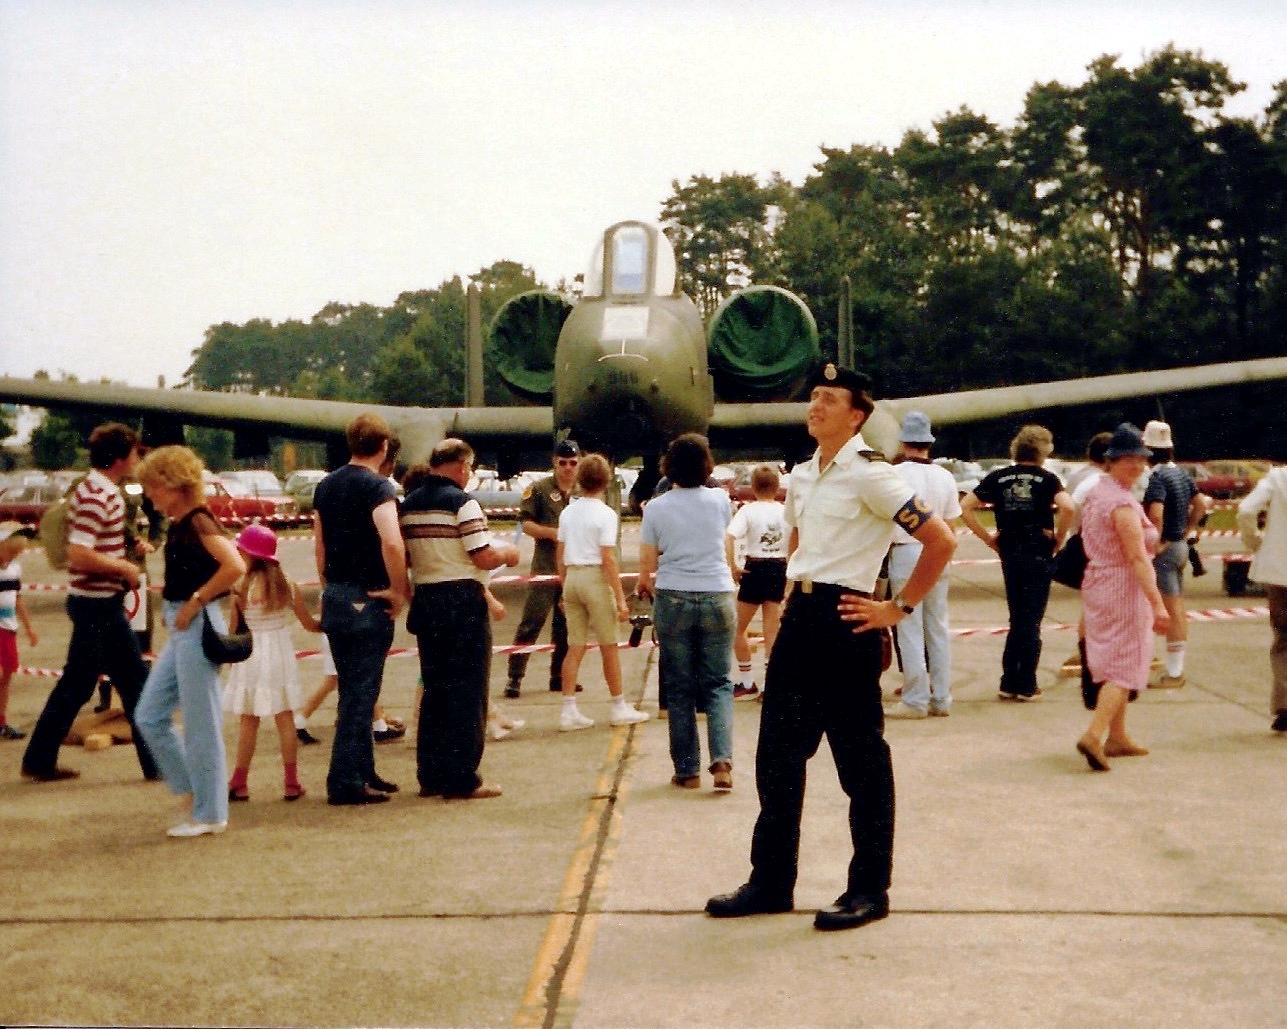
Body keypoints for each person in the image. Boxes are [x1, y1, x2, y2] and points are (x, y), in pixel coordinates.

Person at [705, 364, 955, 930]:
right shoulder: (803, 473)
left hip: (848, 622)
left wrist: (897, 608)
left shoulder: (872, 475)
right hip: (802, 619)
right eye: (813, 396)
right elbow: (798, 537)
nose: (815, 405)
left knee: (860, 765)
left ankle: (869, 889)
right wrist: (792, 592)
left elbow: (940, 539)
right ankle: (771, 882)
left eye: (829, 399)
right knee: (777, 757)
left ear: (856, 416)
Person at [21, 423, 159, 783]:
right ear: (119, 458)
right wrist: (123, 567)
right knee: (132, 682)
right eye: (134, 452)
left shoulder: (96, 490)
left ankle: (39, 758)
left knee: (88, 684)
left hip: (95, 603)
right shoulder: (100, 496)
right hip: (99, 606)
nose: (137, 458)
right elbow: (79, 553)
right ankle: (158, 763)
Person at [133, 445, 247, 837]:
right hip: (186, 624)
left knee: (201, 724)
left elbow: (235, 565)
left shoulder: (198, 521)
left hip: (196, 623)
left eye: (153, 486)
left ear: (174, 484)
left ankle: (210, 812)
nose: (149, 495)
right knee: (149, 715)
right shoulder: (184, 522)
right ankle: (195, 793)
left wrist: (196, 601)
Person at [400, 438, 518, 800]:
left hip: (427, 599)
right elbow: (482, 556)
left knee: (435, 690)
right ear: (462, 466)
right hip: (462, 601)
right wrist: (508, 554)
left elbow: (406, 555)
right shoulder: (463, 503)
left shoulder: (409, 505)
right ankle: (464, 777)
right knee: (468, 691)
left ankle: (430, 775)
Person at [313, 413, 408, 806]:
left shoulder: (325, 486)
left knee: (352, 691)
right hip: (368, 597)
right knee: (361, 694)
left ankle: (364, 770)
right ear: (384, 447)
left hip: (336, 594)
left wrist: (328, 586)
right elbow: (392, 542)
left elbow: (319, 544)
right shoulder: (378, 487)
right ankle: (345, 780)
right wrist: (399, 591)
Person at [638, 434, 736, 789]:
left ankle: (687, 770)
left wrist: (645, 585)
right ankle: (722, 762)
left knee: (679, 687)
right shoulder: (720, 500)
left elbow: (647, 564)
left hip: (674, 595)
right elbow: (724, 542)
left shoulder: (656, 508)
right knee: (719, 683)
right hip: (717, 593)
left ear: (669, 466)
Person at [1075, 424, 1170, 771]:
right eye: (1128, 459)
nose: (1137, 466)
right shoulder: (1121, 504)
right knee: (1125, 664)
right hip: (1122, 587)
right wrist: (1158, 604)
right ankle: (1094, 734)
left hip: (1098, 582)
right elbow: (1137, 558)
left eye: (1141, 459)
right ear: (1111, 461)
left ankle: (1117, 737)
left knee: (1110, 659)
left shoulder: (1099, 493)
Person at [960, 424, 1073, 701]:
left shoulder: (998, 477)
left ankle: (1009, 679)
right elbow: (1068, 507)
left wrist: (988, 538)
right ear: (1043, 451)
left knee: (1017, 616)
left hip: (1010, 549)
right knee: (1032, 618)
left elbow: (965, 507)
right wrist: (1059, 538)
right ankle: (1026, 682)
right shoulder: (1047, 479)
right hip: (1037, 548)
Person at [223, 524, 322, 802]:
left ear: (251, 555)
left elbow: (234, 630)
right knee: (285, 717)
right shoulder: (286, 584)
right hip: (279, 652)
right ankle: (291, 782)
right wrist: (327, 624)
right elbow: (308, 623)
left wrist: (230, 660)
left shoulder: (240, 586)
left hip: (250, 653)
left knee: (248, 721)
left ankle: (239, 781)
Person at [557, 452, 649, 733]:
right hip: (595, 579)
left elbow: (560, 553)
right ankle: (618, 705)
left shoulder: (568, 511)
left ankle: (568, 709)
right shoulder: (606, 514)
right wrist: (620, 599)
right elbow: (608, 558)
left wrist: (564, 586)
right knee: (609, 646)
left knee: (575, 646)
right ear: (606, 482)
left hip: (572, 577)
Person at [885, 411, 961, 719]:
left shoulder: (894, 474)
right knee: (937, 626)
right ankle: (941, 696)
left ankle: (916, 697)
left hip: (905, 549)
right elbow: (951, 525)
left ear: (903, 441)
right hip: (938, 551)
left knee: (908, 625)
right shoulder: (945, 477)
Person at [505, 440, 580, 698]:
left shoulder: (583, 490)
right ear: (555, 462)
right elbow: (525, 524)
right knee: (532, 621)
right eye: (563, 462)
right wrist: (554, 533)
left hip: (573, 567)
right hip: (546, 567)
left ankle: (559, 676)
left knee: (567, 625)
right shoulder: (539, 489)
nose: (568, 468)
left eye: (573, 463)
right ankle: (515, 676)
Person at [1141, 420, 1210, 688]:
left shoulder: (1156, 477)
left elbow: (1156, 512)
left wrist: (1156, 542)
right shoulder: (1180, 473)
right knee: (1175, 605)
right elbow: (1200, 504)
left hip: (1165, 548)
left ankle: (1174, 672)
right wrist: (1187, 529)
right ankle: (1173, 666)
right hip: (1180, 545)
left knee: (1171, 608)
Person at [724, 464, 788, 702]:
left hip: (755, 568)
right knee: (772, 632)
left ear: (753, 487)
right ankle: (771, 686)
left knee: (736, 628)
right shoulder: (785, 511)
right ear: (777, 487)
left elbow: (730, 537)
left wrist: (733, 566)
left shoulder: (748, 511)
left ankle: (747, 681)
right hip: (779, 568)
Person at [1236, 463, 1287, 733]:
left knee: (1283, 639)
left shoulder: (1278, 478)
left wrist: (1255, 541)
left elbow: (1246, 510)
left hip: (1279, 571)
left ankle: (1284, 706)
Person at [1065, 431, 1113, 708]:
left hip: (1079, 541)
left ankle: (1088, 655)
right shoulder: (1100, 482)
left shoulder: (1077, 476)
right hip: (1096, 547)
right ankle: (1094, 659)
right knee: (1099, 607)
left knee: (1090, 604)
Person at [0, 522, 38, 740]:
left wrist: (29, 628)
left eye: (18, 553)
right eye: (11, 551)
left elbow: (18, 598)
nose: (14, 556)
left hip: (9, 628)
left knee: (7, 676)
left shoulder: (14, 569)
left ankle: (1, 721)